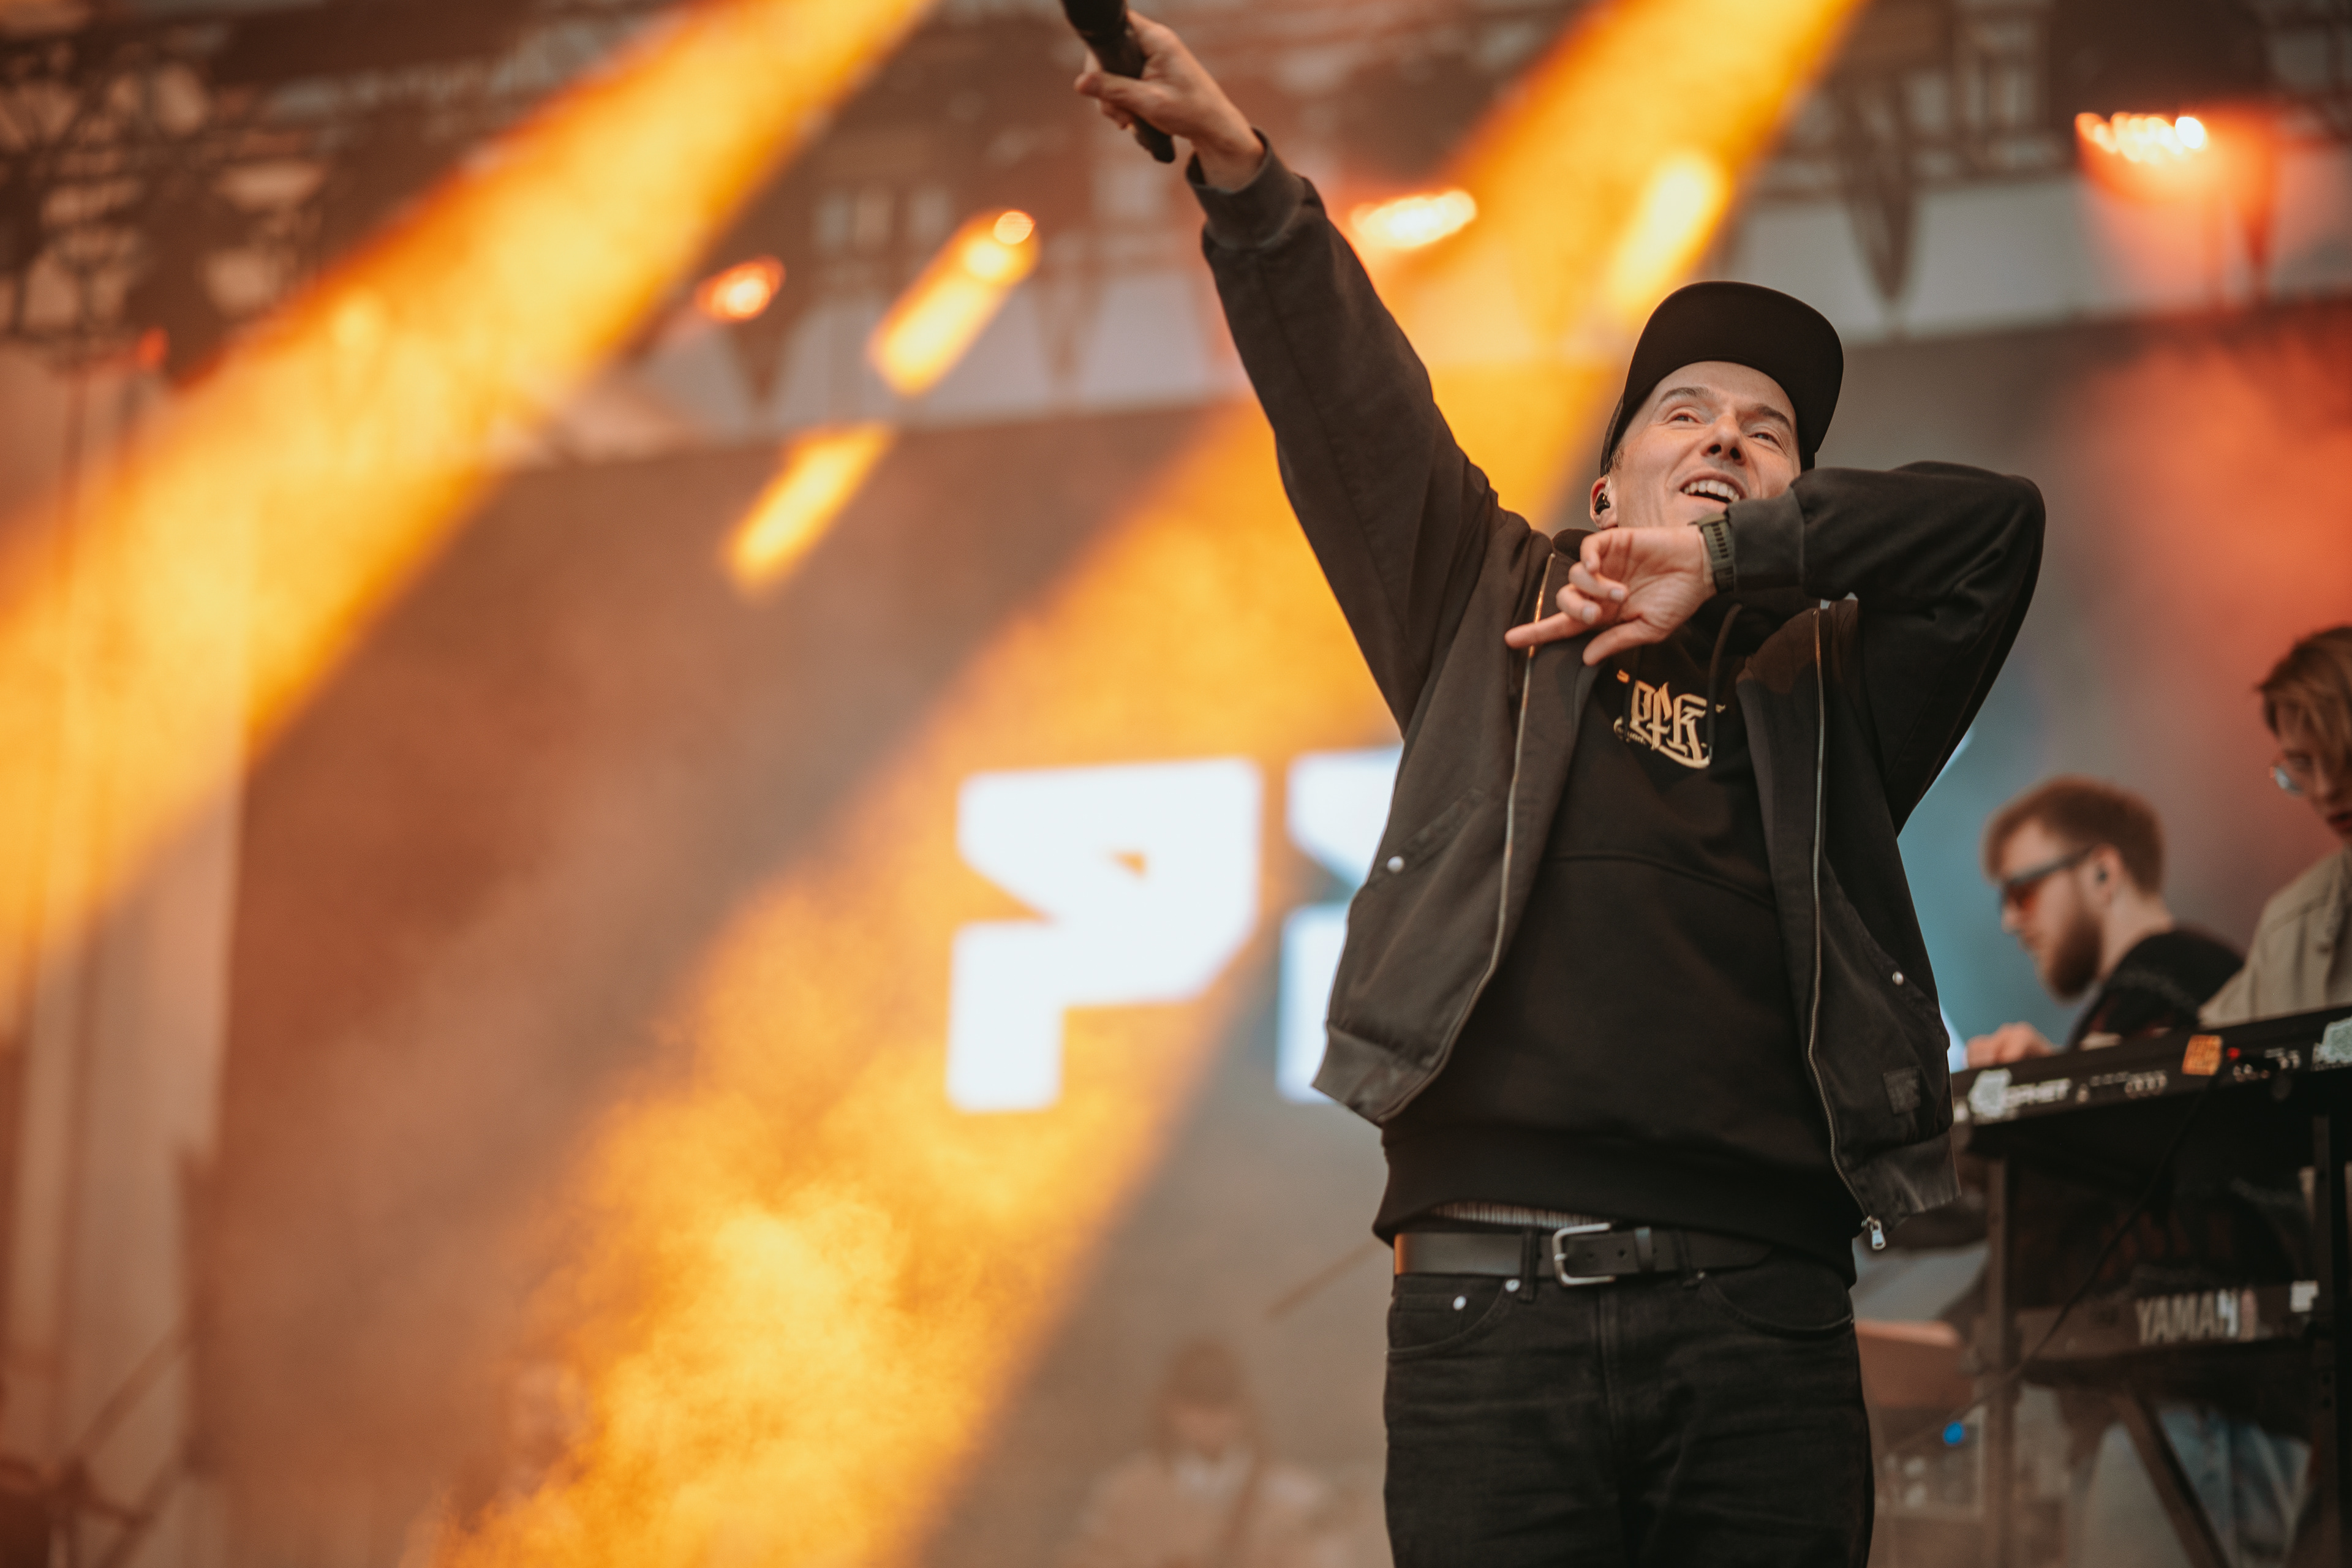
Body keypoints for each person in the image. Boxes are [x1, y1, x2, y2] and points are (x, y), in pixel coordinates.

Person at [1077, 23, 2043, 1566]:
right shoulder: (1481, 599)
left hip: (1763, 1312)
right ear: (1607, 489)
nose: (1727, 433)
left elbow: (1995, 529)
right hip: (1490, 1300)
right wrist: (1250, 180)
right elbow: (1350, 403)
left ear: (1792, 498)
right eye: (1685, 410)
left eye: (1768, 432)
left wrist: (1728, 561)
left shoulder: (1830, 686)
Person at [1965, 776, 2241, 1066]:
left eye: (2023, 893)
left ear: (2102, 874)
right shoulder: (2196, 982)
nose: (2009, 921)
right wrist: (2051, 1071)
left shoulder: (2154, 987)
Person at [1057, 1340, 1345, 1568]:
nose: (1209, 1420)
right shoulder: (1126, 1491)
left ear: (1243, 1410)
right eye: (1195, 1406)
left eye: (1220, 1406)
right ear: (1170, 1410)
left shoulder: (1295, 1496)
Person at [2204, 625, 2352, 1025]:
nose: (2325, 788)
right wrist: (2080, 1057)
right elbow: (2200, 1049)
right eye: (2302, 764)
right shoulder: (2290, 926)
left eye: (2344, 754)